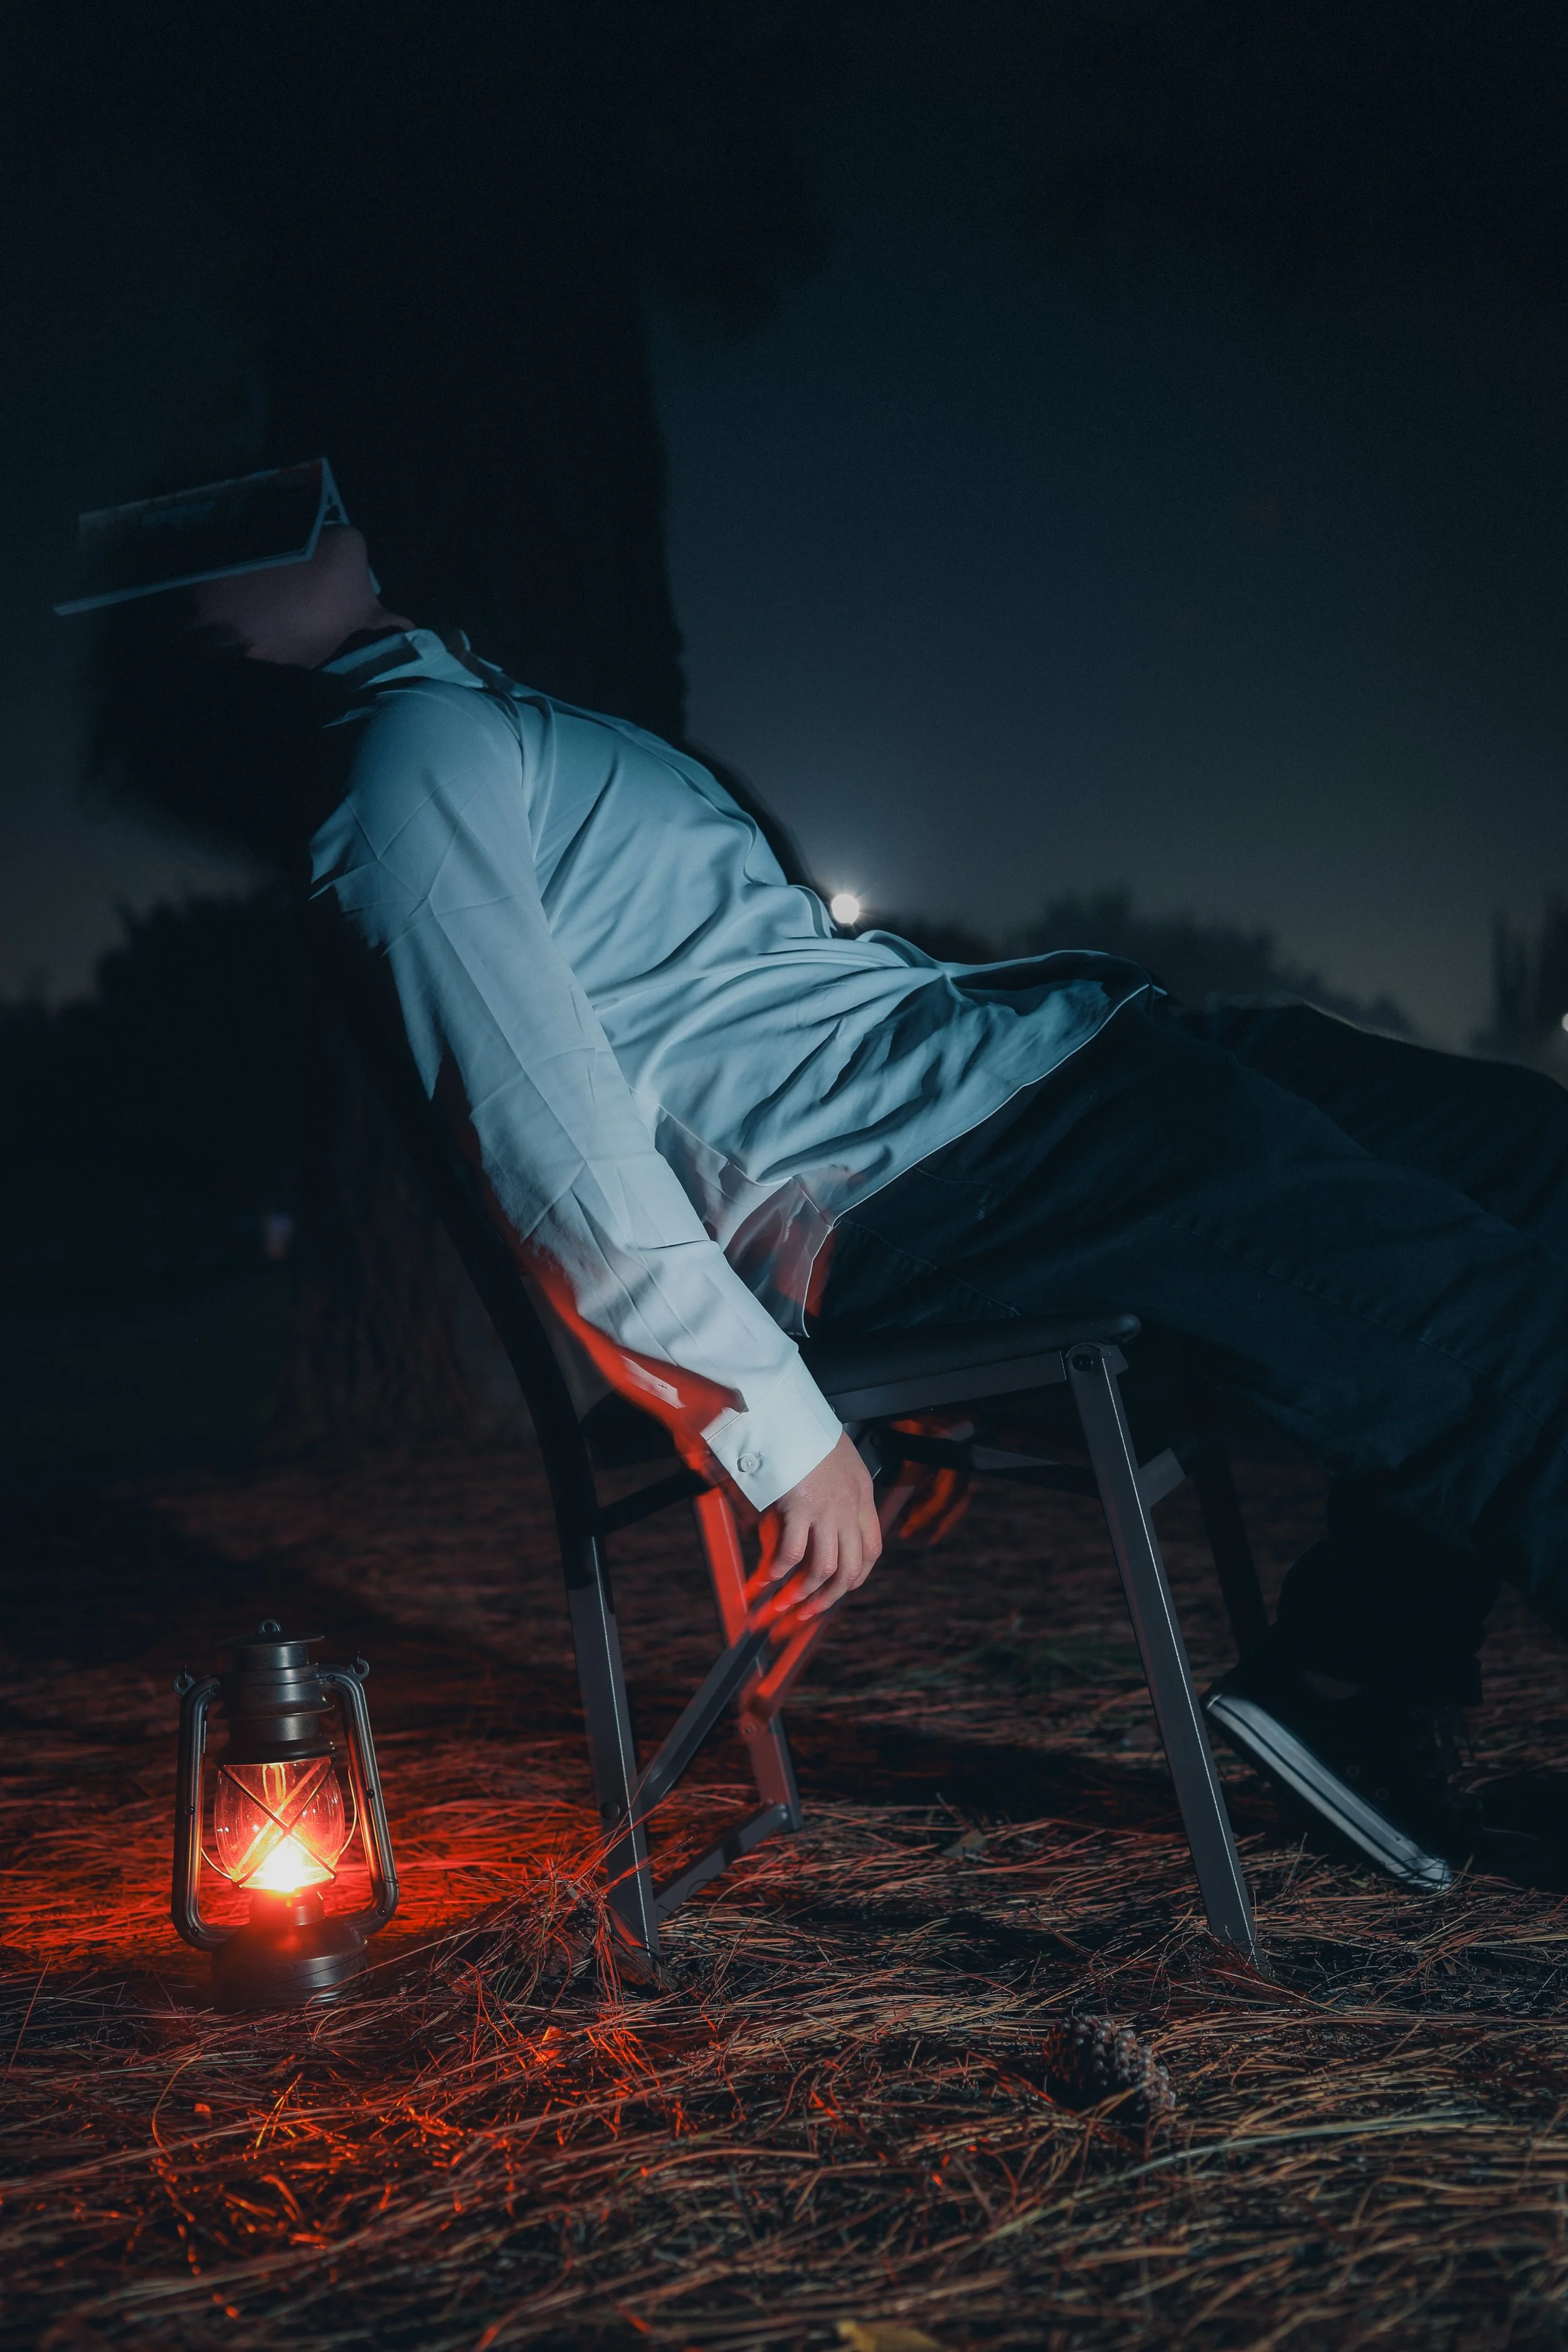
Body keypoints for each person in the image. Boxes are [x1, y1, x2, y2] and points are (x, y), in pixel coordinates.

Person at [93, 514, 1568, 1893]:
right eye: (230, 527)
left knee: (1526, 1154)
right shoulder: (402, 761)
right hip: (949, 1159)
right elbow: (539, 1127)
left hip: (1040, 1054)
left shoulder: (453, 709)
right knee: (1494, 1330)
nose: (298, 505)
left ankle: (1355, 1677)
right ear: (205, 630)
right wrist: (772, 1415)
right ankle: (1355, 1686)